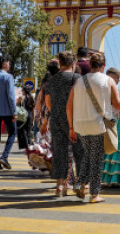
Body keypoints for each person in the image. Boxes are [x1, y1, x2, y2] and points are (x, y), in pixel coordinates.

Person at [68, 54, 120, 202]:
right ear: (103, 66)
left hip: (81, 124)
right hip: (98, 124)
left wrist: (71, 127)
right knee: (97, 159)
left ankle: (80, 185)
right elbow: (117, 105)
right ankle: (94, 194)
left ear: (90, 65)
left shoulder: (79, 81)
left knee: (89, 155)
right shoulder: (108, 80)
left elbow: (69, 106)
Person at [45, 51, 84, 197]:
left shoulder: (52, 79)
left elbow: (48, 102)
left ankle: (60, 185)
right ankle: (79, 184)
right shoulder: (77, 78)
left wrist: (56, 111)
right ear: (73, 63)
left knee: (59, 151)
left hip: (56, 118)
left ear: (60, 63)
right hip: (74, 118)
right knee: (79, 151)